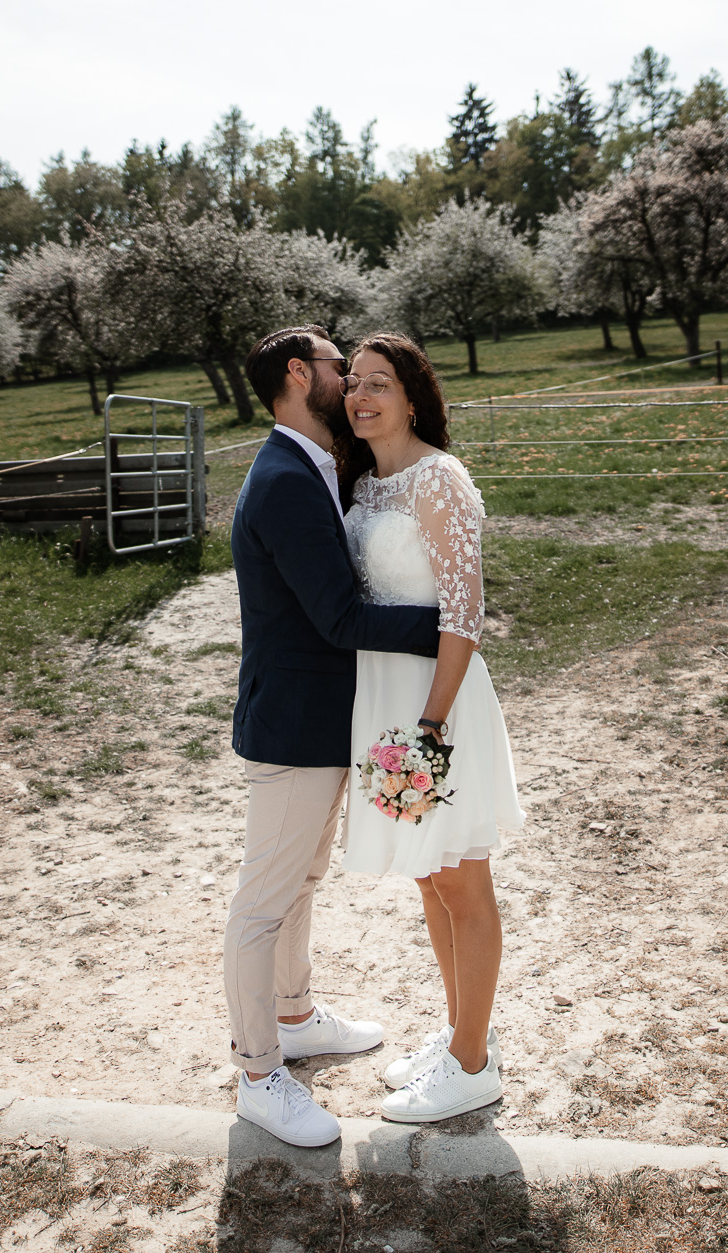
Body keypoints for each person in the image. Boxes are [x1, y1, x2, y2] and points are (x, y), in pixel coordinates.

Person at [224, 325, 444, 1148]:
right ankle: (258, 1072)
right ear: (295, 373)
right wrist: (453, 624)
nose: (348, 380)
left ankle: (296, 1015)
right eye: (334, 366)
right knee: (262, 902)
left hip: (321, 721)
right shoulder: (282, 479)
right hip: (290, 725)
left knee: (301, 881)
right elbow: (341, 616)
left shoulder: (313, 465)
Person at [334, 332, 525, 1124]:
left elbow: (465, 610)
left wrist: (431, 724)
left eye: (379, 381)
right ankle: (457, 1036)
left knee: (462, 879)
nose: (361, 394)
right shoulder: (366, 487)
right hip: (384, 702)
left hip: (432, 704)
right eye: (352, 382)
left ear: (414, 397)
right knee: (428, 874)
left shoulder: (438, 479)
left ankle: (474, 1063)